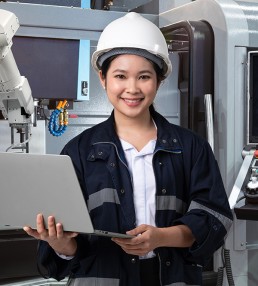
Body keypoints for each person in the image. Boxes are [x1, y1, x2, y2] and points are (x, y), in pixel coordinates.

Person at [24, 12, 233, 286]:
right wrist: (61, 244)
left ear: (159, 80)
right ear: (103, 78)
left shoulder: (191, 147)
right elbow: (67, 255)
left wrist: (160, 237)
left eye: (144, 76)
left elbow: (215, 218)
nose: (132, 88)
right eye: (120, 76)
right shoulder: (77, 152)